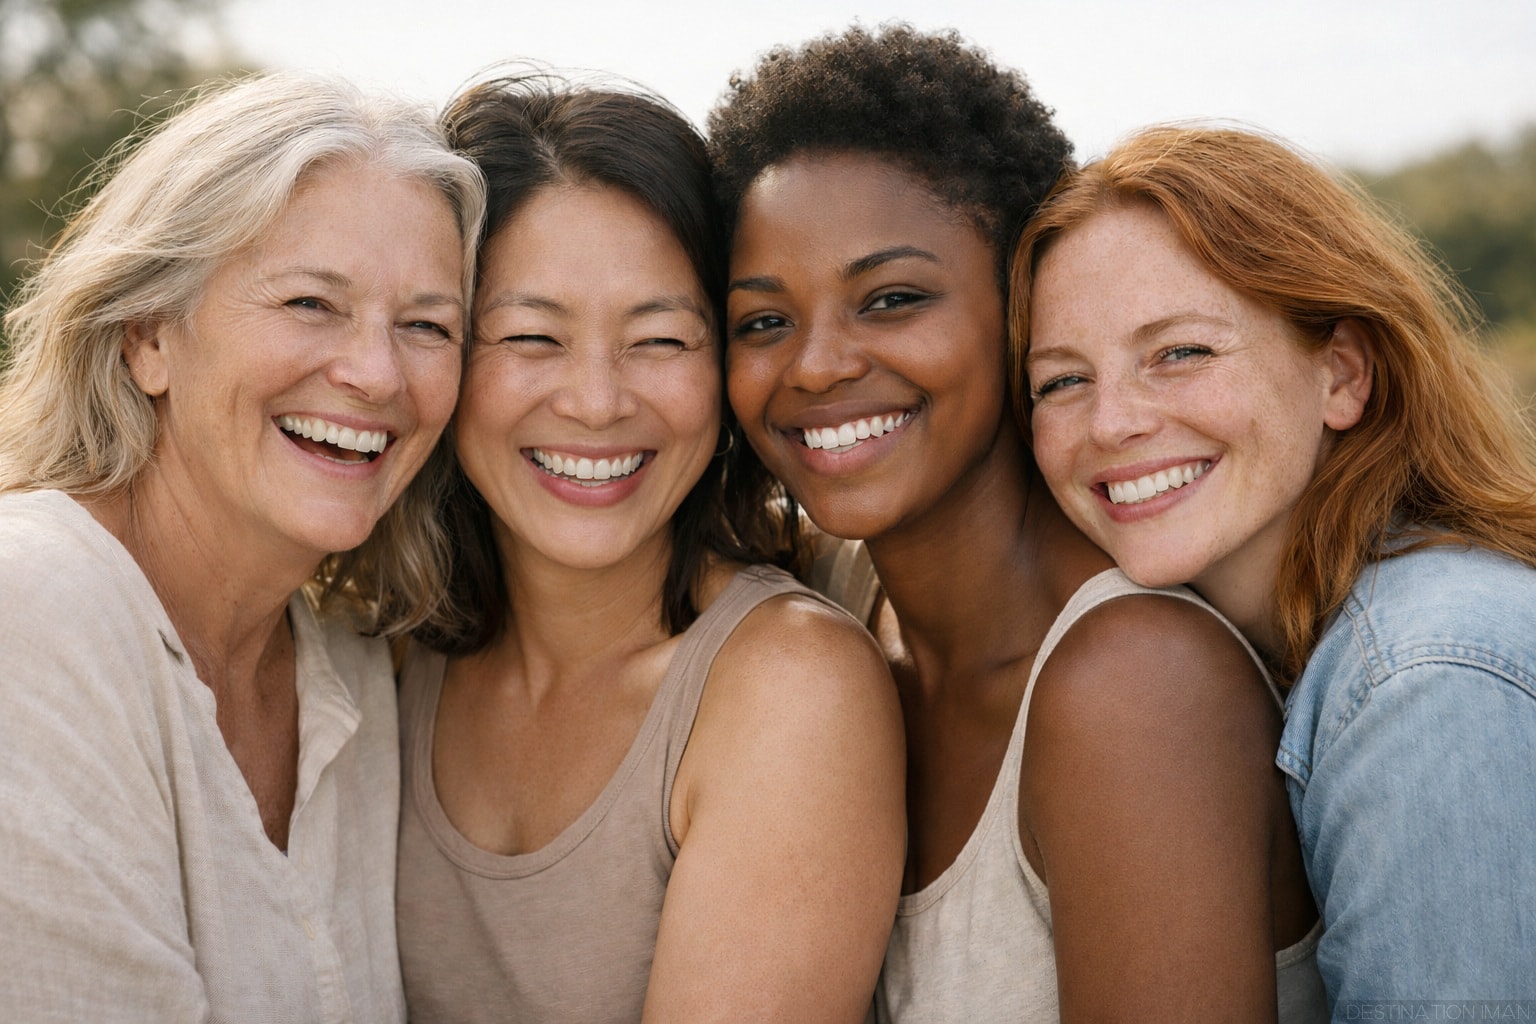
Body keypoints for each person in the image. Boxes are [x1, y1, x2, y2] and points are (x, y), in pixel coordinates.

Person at [710, 25, 1326, 1023]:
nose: (816, 365)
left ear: (1021, 311)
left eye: (892, 298)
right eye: (764, 321)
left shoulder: (1137, 685)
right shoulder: (830, 598)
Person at [393, 72, 905, 1024]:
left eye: (661, 340)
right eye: (531, 336)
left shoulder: (789, 683)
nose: (596, 402)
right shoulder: (386, 650)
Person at [1016, 124, 1536, 1011]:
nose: (1111, 423)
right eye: (1063, 380)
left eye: (1180, 352)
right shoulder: (1300, 659)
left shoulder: (1424, 684)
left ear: (1342, 374)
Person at [0, 72, 484, 1022]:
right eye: (310, 303)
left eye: (427, 326)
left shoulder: (353, 669)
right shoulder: (31, 614)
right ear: (147, 335)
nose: (377, 373)